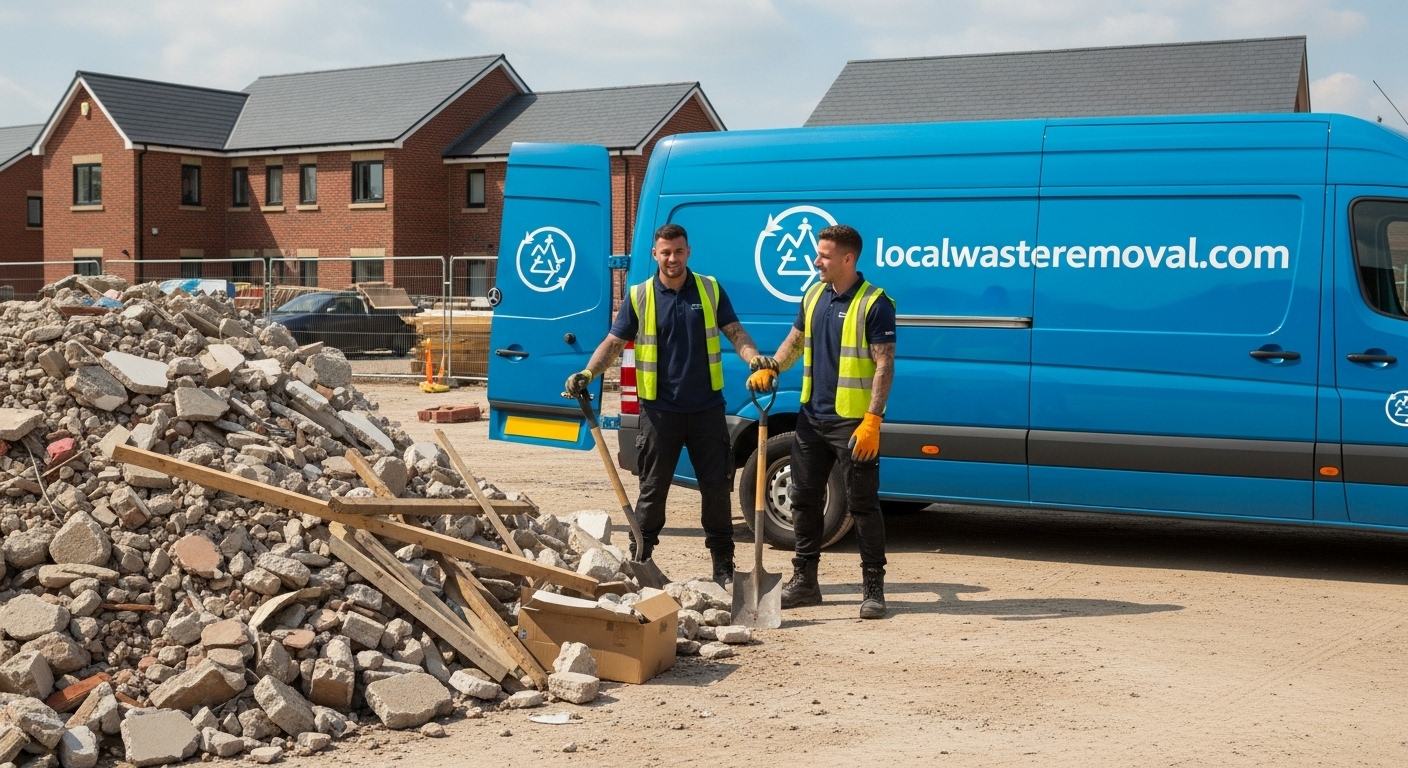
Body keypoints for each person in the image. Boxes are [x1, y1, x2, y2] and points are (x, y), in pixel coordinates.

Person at [567, 223, 775, 587]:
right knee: (652, 490)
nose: (672, 258)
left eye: (678, 251)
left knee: (715, 490)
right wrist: (587, 372)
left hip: (707, 409)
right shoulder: (640, 295)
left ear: (688, 251)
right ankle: (640, 559)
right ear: (655, 254)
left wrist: (754, 358)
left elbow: (735, 332)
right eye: (666, 252)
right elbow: (614, 342)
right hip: (659, 412)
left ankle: (723, 567)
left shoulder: (709, 290)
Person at [747, 223, 896, 619]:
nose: (816, 261)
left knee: (863, 505)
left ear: (848, 259)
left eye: (825, 255)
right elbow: (796, 339)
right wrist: (773, 367)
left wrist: (873, 420)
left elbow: (884, 364)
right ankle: (806, 582)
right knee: (803, 499)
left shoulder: (875, 303)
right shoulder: (814, 295)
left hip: (853, 424)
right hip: (812, 417)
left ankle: (873, 588)